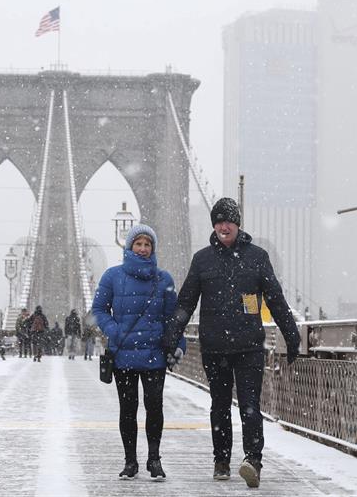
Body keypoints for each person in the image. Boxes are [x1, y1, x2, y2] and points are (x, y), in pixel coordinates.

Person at [162, 197, 301, 489]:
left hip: (249, 346)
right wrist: (171, 336)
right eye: (219, 221)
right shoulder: (202, 260)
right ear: (214, 225)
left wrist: (291, 334)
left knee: (250, 405)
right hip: (214, 347)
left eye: (229, 221)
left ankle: (253, 461)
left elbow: (275, 299)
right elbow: (186, 302)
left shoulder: (257, 257)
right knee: (220, 406)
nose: (224, 226)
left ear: (237, 224)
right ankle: (222, 460)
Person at [92, 224, 186, 480]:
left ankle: (154, 460)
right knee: (128, 408)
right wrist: (115, 331)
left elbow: (173, 318)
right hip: (123, 354)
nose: (143, 249)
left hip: (154, 354)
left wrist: (179, 345)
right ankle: (130, 461)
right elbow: (99, 309)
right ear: (129, 246)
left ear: (152, 248)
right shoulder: (112, 276)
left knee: (155, 407)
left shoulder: (163, 279)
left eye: (148, 245)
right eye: (139, 244)